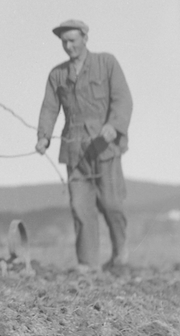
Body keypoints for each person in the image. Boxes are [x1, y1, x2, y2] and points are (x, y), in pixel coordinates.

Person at [35, 20, 133, 272]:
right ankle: (88, 264)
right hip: (74, 149)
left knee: (112, 204)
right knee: (80, 207)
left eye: (72, 41)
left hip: (104, 146)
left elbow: (123, 99)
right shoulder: (57, 74)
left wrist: (114, 125)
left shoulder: (106, 63)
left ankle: (120, 254)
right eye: (64, 42)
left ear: (85, 38)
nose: (68, 46)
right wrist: (44, 136)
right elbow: (49, 107)